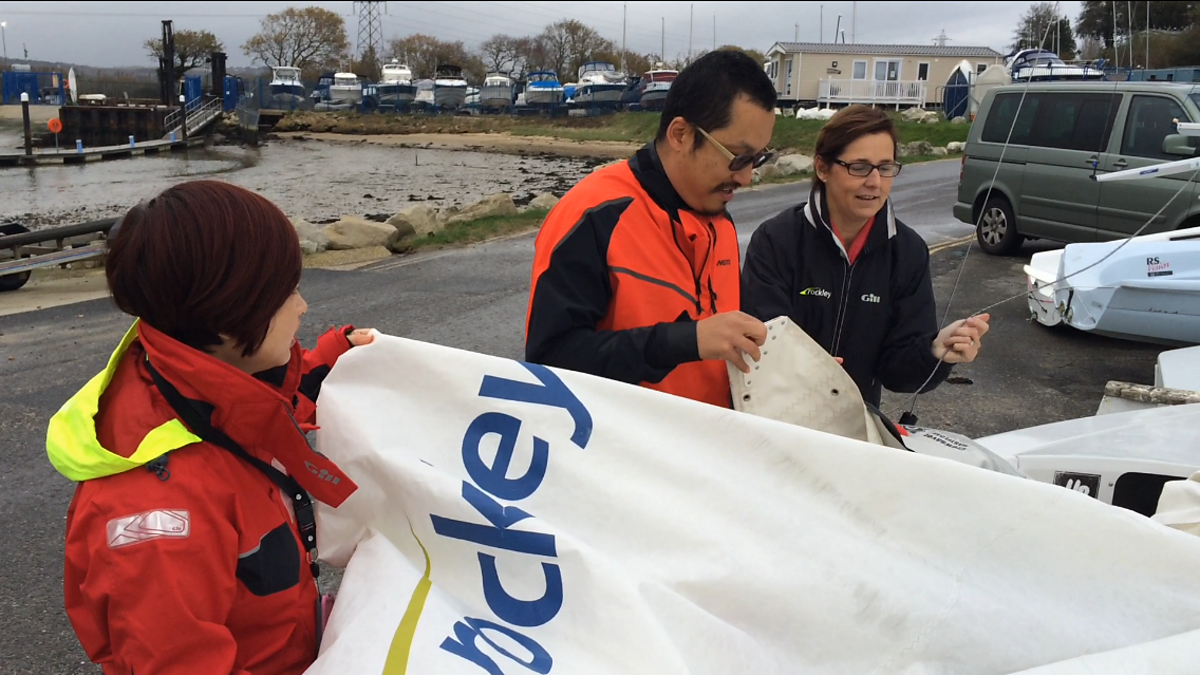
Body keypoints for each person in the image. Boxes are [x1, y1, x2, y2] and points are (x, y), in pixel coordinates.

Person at [46, 180, 374, 675]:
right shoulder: (158, 511)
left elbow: (260, 408)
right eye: (286, 292)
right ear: (226, 318)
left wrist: (334, 358)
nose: (302, 306)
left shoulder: (187, 377)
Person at [525, 49, 776, 408]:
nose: (747, 177)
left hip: (711, 438)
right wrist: (685, 341)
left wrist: (789, 372)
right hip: (621, 440)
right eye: (738, 157)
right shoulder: (595, 214)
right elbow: (549, 360)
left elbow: (728, 347)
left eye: (758, 158)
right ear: (680, 134)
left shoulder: (720, 220)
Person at [741, 104, 990, 408]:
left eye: (885, 168)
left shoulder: (908, 251)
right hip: (774, 415)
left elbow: (897, 374)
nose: (874, 182)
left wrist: (936, 350)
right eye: (859, 167)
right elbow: (761, 345)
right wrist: (811, 371)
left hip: (854, 421)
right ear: (822, 168)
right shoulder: (776, 240)